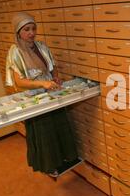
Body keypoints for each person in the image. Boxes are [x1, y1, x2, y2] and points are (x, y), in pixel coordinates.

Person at [5, 12, 80, 177]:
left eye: (33, 28)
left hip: (51, 92)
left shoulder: (41, 46)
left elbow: (52, 66)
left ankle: (66, 157)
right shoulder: (15, 52)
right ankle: (49, 166)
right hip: (34, 97)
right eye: (26, 30)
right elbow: (19, 82)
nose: (31, 33)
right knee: (45, 133)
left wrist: (55, 78)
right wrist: (42, 83)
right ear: (18, 32)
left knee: (59, 125)